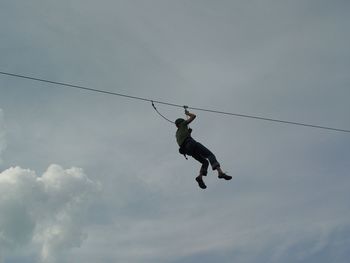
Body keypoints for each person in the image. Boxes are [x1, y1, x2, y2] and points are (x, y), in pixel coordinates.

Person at [175, 109, 232, 189]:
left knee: (205, 162)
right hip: (191, 143)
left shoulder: (177, 134)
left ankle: (200, 177)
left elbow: (183, 140)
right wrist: (188, 113)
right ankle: (220, 173)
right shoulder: (183, 124)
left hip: (188, 151)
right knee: (210, 155)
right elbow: (194, 116)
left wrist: (189, 133)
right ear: (181, 122)